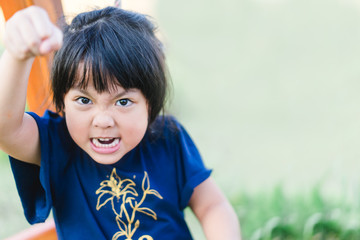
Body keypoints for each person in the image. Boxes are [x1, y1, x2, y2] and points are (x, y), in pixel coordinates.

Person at [0, 5, 241, 240]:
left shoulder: (168, 138)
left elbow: (212, 206)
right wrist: (16, 55)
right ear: (62, 102)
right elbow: (6, 129)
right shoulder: (57, 146)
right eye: (84, 100)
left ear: (150, 103)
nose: (103, 120)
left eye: (123, 102)